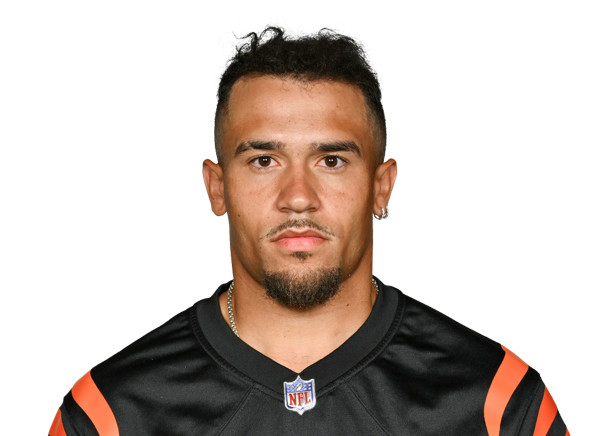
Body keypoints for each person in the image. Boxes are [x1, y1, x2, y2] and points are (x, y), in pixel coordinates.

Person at [49, 24, 570, 435]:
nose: (298, 197)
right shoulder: (111, 413)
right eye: (264, 161)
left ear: (382, 187)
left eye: (332, 161)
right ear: (216, 187)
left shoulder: (496, 401)